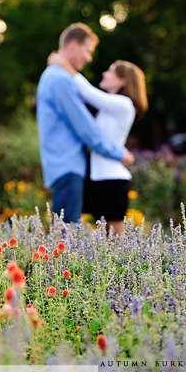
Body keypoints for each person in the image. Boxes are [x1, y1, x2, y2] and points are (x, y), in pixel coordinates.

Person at [36, 23, 134, 223]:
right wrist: (118, 153)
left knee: (65, 235)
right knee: (65, 236)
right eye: (88, 51)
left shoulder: (53, 76)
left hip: (63, 164)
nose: (89, 58)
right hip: (68, 166)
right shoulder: (60, 80)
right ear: (73, 45)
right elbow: (86, 129)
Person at [47, 52, 148, 234]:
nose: (104, 74)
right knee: (100, 241)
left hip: (113, 180)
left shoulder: (125, 104)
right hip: (95, 179)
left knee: (115, 240)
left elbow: (88, 92)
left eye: (110, 71)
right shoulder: (107, 109)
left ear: (122, 81)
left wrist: (63, 64)